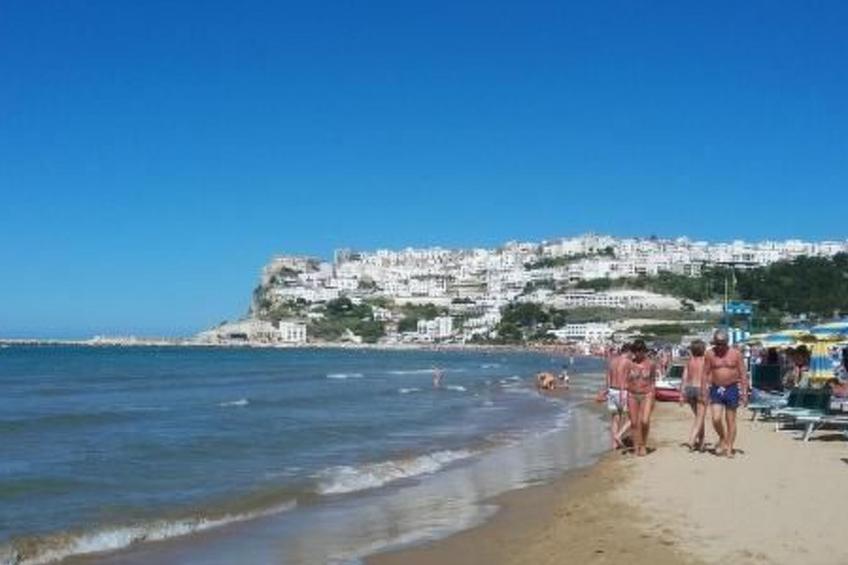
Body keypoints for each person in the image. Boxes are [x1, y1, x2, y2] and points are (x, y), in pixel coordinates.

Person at [704, 330, 749, 458]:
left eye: (722, 344)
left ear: (727, 343)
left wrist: (744, 393)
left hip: (731, 388)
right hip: (716, 388)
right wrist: (703, 390)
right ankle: (723, 437)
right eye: (717, 343)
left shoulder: (736, 354)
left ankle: (729, 448)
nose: (719, 346)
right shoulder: (710, 354)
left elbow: (743, 374)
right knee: (716, 418)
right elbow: (705, 373)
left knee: (731, 420)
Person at [623, 340, 656, 456]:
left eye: (640, 351)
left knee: (645, 421)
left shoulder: (651, 364)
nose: (638, 353)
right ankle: (637, 446)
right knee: (634, 423)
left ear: (644, 351)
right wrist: (623, 395)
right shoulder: (629, 364)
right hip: (632, 395)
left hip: (647, 394)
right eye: (636, 351)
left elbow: (653, 381)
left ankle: (643, 444)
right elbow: (624, 381)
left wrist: (653, 397)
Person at [679, 339, 708, 452]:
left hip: (689, 390)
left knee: (699, 417)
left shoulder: (689, 361)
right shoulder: (705, 361)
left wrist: (681, 395)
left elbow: (684, 378)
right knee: (699, 418)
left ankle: (701, 442)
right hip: (701, 389)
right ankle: (692, 440)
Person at [605, 344, 631, 449]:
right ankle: (618, 435)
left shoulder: (612, 361)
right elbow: (629, 377)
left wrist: (607, 390)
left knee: (615, 418)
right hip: (623, 391)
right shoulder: (628, 362)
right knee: (633, 418)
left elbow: (608, 376)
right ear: (628, 351)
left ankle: (614, 445)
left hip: (612, 390)